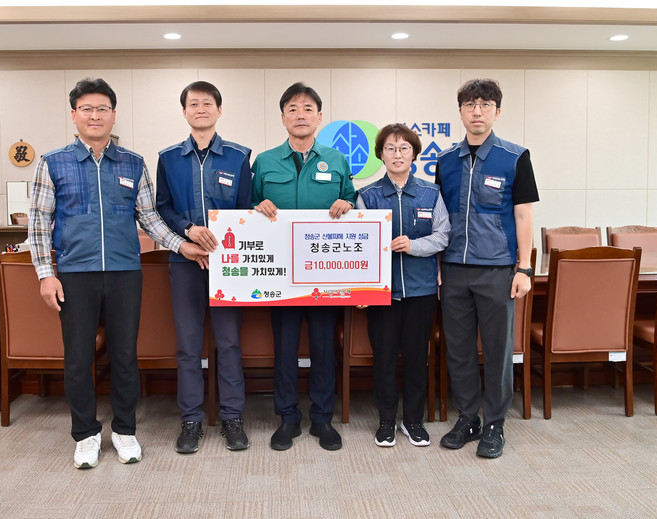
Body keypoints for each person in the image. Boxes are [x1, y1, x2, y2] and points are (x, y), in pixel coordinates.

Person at [29, 77, 208, 469]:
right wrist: (45, 273)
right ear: (74, 115)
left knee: (125, 355)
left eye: (102, 109)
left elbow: (150, 218)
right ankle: (86, 435)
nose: (95, 116)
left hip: (126, 272)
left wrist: (182, 245)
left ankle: (125, 430)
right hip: (75, 274)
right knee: (79, 358)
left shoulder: (132, 163)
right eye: (87, 109)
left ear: (113, 115)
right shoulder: (52, 163)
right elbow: (39, 223)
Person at [435, 78, 539, 458]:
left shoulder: (515, 157)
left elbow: (523, 215)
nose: (476, 111)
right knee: (459, 350)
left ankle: (495, 423)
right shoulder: (446, 161)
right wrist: (438, 266)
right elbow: (440, 219)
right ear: (460, 112)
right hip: (454, 269)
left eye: (484, 105)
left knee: (497, 350)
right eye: (470, 105)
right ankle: (468, 418)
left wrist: (524, 269)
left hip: (497, 270)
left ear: (497, 111)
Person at [252, 82, 356, 451]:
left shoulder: (337, 160)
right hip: (278, 275)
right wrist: (256, 208)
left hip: (324, 273)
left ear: (319, 117)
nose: (300, 115)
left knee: (324, 347)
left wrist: (348, 205)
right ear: (282, 118)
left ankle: (322, 418)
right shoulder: (264, 162)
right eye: (293, 109)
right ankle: (288, 418)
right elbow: (247, 213)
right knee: (285, 348)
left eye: (308, 108)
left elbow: (354, 205)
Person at [156, 81, 252, 454]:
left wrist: (222, 248)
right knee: (188, 345)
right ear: (184, 112)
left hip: (227, 264)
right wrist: (188, 230)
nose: (200, 109)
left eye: (207, 103)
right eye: (193, 104)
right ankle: (191, 420)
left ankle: (232, 418)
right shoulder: (168, 158)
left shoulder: (239, 156)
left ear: (219, 110)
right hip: (184, 262)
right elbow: (161, 207)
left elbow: (245, 209)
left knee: (229, 343)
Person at [356, 124, 450, 448]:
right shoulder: (367, 195)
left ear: (414, 154)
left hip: (421, 290)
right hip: (381, 293)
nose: (397, 154)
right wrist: (363, 288)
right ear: (381, 155)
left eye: (404, 148)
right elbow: (359, 246)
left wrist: (414, 246)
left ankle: (413, 421)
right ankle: (386, 422)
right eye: (390, 148)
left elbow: (443, 235)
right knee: (383, 359)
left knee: (416, 359)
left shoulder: (431, 193)